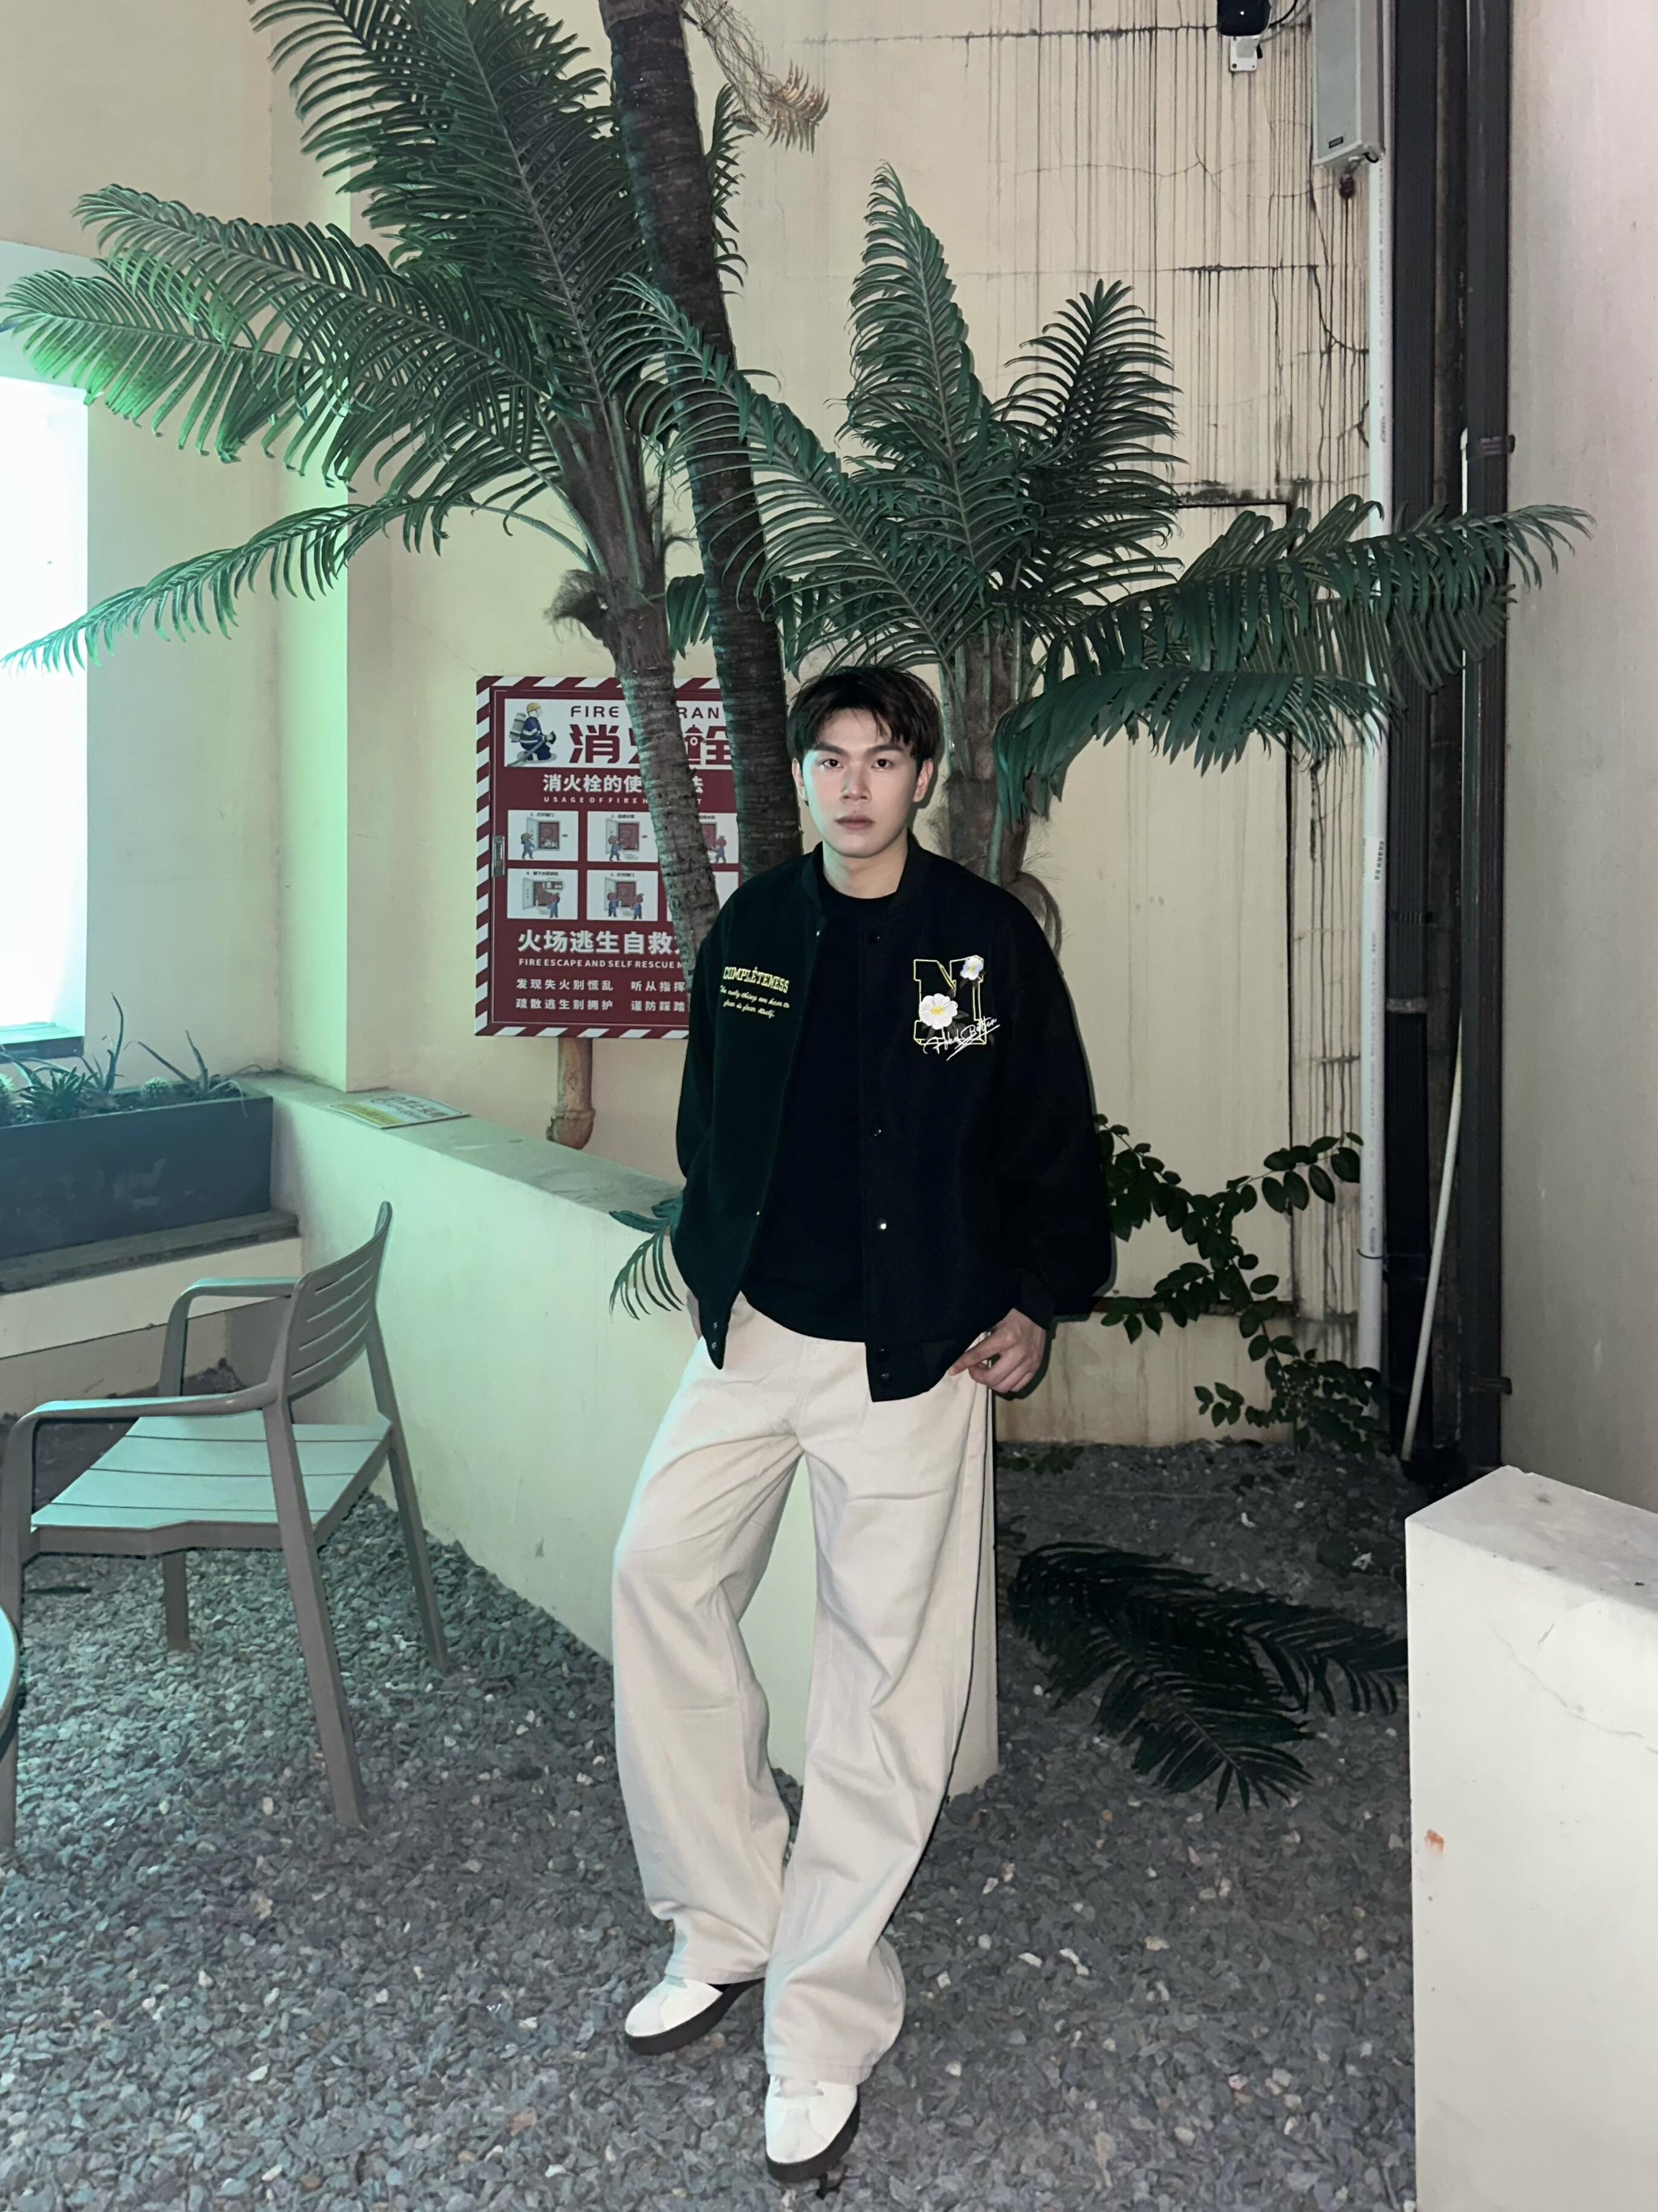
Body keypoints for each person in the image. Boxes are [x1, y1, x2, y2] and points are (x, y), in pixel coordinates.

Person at [610, 667, 1114, 2193]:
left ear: (923, 776)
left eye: (881, 761)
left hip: (917, 1354)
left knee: (882, 1680)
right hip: (759, 1340)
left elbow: (1050, 1130)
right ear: (805, 778)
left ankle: (822, 2024)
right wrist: (716, 1253)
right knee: (658, 1572)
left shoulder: (985, 939)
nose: (851, 788)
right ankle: (727, 1920)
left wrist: (1037, 1297)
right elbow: (709, 1116)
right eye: (828, 761)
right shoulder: (757, 930)